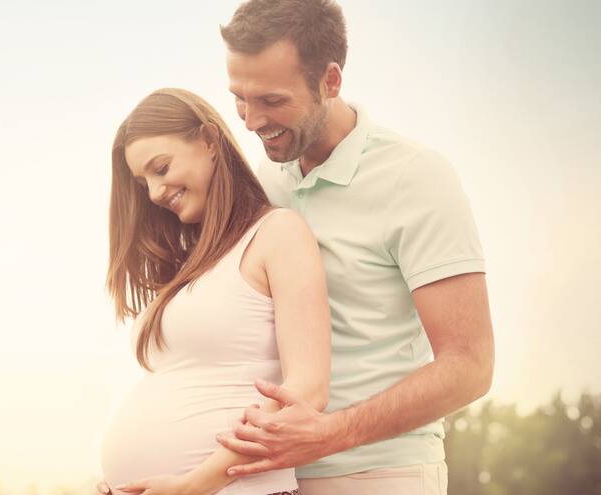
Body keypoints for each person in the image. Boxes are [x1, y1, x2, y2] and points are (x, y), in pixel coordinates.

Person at [100, 1, 494, 494]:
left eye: (271, 100)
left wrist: (331, 434)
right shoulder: (267, 184)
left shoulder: (413, 177)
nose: (249, 120)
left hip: (377, 473)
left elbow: (470, 366)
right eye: (239, 98)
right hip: (279, 478)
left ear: (330, 82)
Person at [101, 88, 331, 495]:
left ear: (208, 141)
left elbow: (308, 390)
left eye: (161, 167)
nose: (154, 193)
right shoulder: (189, 267)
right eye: (142, 183)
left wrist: (192, 484)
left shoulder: (277, 233)